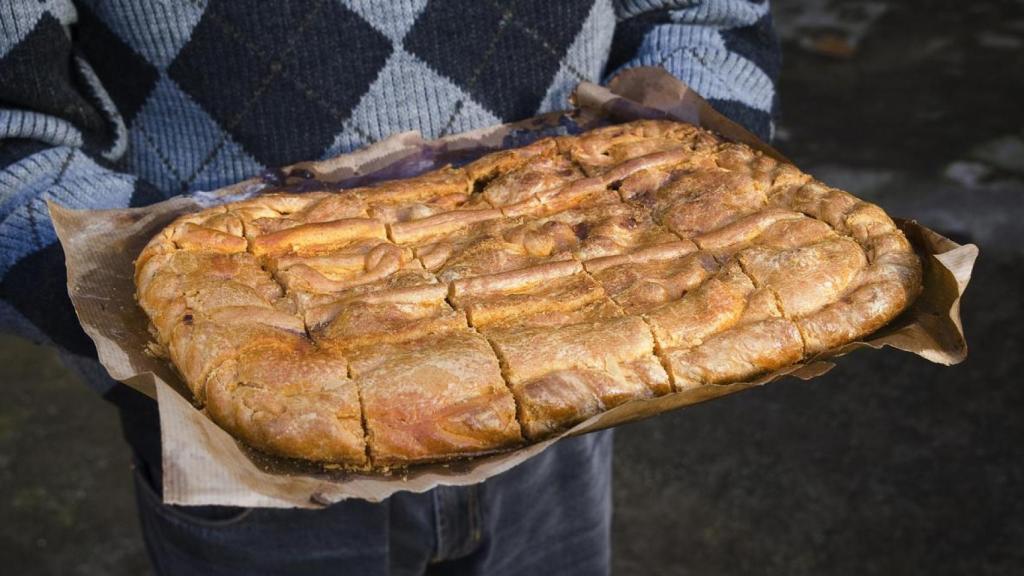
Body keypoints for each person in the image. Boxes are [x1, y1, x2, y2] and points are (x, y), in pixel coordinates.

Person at [0, 1, 780, 574]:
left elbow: (705, 18)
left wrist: (684, 202)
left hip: (570, 397)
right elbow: (13, 146)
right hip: (242, 454)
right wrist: (201, 325)